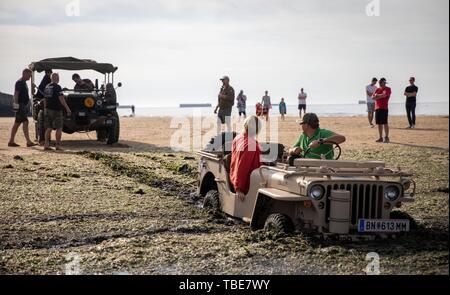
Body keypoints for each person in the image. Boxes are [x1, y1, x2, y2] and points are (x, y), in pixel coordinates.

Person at [230, 115, 262, 201]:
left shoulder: (238, 138)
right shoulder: (251, 145)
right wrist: (239, 188)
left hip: (235, 178)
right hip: (248, 185)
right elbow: (242, 167)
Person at [7, 69, 37, 148]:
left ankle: (11, 141)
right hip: (20, 105)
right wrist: (16, 105)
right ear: (24, 74)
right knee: (25, 122)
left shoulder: (23, 83)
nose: (30, 77)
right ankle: (28, 141)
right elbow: (16, 94)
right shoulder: (19, 82)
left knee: (17, 123)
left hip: (22, 105)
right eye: (29, 75)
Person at [43, 73, 72, 151]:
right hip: (56, 110)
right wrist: (67, 108)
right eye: (58, 77)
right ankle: (57, 145)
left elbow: (45, 99)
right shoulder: (57, 87)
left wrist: (45, 108)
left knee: (49, 128)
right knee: (59, 127)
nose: (59, 79)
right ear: (56, 78)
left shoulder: (47, 86)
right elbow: (61, 99)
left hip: (48, 109)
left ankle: (46, 144)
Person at [372, 78, 392, 143]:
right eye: (380, 82)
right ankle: (380, 137)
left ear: (385, 82)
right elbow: (373, 97)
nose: (380, 83)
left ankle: (386, 137)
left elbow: (385, 95)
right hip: (377, 108)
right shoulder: (377, 89)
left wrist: (377, 96)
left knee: (385, 123)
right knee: (379, 124)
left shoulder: (388, 89)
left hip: (384, 108)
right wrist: (378, 96)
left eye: (382, 82)